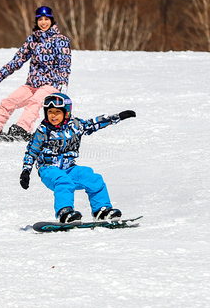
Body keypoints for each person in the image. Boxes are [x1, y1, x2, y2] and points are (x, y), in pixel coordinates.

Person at [19, 92, 136, 223]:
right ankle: (65, 212)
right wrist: (26, 171)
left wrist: (117, 117)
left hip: (69, 168)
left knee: (93, 178)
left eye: (57, 112)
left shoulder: (75, 125)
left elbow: (93, 124)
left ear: (66, 112)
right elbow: (32, 151)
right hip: (48, 169)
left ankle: (101, 210)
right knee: (63, 181)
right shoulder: (43, 130)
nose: (53, 115)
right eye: (50, 111)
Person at [0, 6, 71, 141]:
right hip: (32, 85)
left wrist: (63, 81)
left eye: (46, 19)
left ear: (51, 20)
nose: (43, 22)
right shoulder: (32, 40)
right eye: (40, 20)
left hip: (51, 85)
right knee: (9, 102)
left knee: (35, 102)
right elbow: (18, 59)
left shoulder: (60, 40)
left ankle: (23, 129)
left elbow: (64, 62)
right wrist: (0, 75)